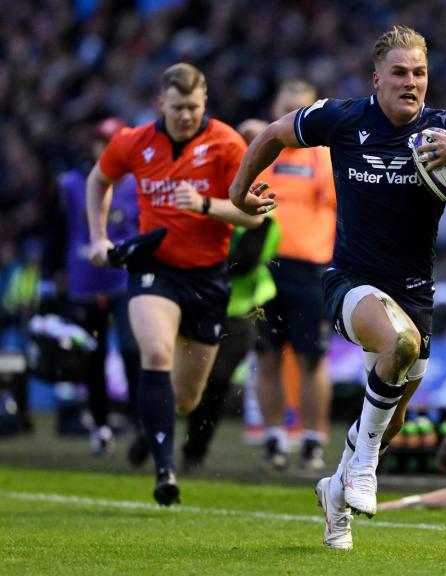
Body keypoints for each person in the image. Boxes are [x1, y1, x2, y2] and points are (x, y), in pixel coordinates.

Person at [229, 25, 446, 549]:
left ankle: (335, 494)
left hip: (415, 294)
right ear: (377, 78)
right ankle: (360, 469)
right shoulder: (341, 118)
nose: (412, 82)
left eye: (420, 73)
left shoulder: (445, 132)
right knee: (397, 345)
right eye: (401, 73)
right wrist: (238, 191)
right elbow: (272, 133)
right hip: (350, 282)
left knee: (391, 423)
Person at [86, 63, 263, 506]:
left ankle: (153, 428)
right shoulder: (134, 141)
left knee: (185, 399)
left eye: (193, 107)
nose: (185, 115)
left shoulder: (226, 143)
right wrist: (98, 237)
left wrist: (205, 205)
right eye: (178, 107)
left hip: (208, 277)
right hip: (156, 267)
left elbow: (254, 214)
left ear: (205, 105)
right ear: (160, 103)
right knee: (156, 352)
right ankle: (165, 471)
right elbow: (99, 179)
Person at [236, 79, 338, 472]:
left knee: (313, 359)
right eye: (287, 108)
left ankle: (313, 440)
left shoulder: (325, 157)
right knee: (266, 355)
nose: (294, 115)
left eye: (302, 109)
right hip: (264, 268)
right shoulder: (265, 148)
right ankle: (274, 437)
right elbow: (244, 131)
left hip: (310, 269)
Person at [44, 117, 141, 455]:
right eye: (105, 142)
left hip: (124, 279)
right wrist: (51, 272)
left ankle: (139, 420)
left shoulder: (138, 184)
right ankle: (100, 425)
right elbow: (56, 230)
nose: (109, 148)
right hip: (84, 280)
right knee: (91, 356)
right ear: (96, 145)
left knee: (133, 351)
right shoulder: (71, 183)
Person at [180, 217, 280, 473]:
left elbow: (243, 262)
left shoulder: (263, 220)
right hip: (194, 307)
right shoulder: (203, 207)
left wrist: (198, 256)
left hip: (237, 314)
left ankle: (195, 452)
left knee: (217, 382)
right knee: (176, 379)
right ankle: (151, 436)